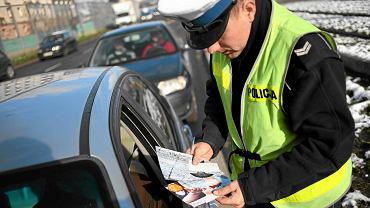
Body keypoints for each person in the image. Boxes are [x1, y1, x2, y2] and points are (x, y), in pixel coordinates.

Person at [157, 0, 355, 207]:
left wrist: (253, 187)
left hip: (308, 199)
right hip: (254, 192)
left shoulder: (305, 55)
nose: (211, 48)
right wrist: (210, 140)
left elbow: (331, 144)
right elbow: (220, 98)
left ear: (248, 9)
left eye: (216, 34)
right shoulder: (226, 46)